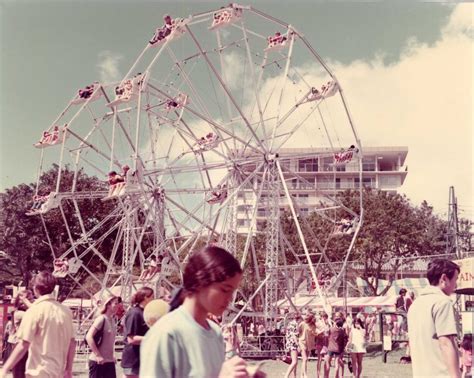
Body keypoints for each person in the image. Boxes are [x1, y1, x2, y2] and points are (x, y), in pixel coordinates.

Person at [140, 246, 251, 378]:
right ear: (201, 283)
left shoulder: (215, 332)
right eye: (225, 289)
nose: (230, 299)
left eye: (232, 291)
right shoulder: (165, 334)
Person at [0, 271, 75, 378]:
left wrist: (5, 368)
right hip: (59, 371)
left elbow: (24, 344)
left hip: (39, 371)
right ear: (53, 288)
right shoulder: (66, 312)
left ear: (35, 289)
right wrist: (68, 369)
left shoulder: (34, 310)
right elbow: (72, 342)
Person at [407, 259, 461, 378]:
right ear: (444, 279)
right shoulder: (442, 302)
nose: (456, 285)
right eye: (455, 279)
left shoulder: (415, 305)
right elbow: (446, 343)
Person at [121, 286, 154, 378]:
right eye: (152, 297)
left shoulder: (145, 313)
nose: (154, 300)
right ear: (145, 298)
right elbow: (131, 339)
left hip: (142, 359)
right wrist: (153, 338)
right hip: (133, 360)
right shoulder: (134, 313)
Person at [86, 293, 118, 378]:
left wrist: (112, 356)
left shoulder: (112, 320)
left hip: (109, 362)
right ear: (108, 305)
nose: (118, 305)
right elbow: (89, 337)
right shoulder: (101, 319)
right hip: (98, 362)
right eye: (115, 303)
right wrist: (98, 355)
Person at [298, 310, 316, 378]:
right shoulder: (302, 324)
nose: (307, 317)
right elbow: (298, 333)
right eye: (306, 315)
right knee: (305, 359)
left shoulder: (313, 325)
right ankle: (305, 375)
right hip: (302, 342)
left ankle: (301, 375)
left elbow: (314, 333)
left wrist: (314, 333)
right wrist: (298, 345)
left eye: (309, 315)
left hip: (309, 343)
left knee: (304, 360)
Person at [284, 312, 301, 378]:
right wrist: (298, 345)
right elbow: (294, 335)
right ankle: (286, 376)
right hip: (293, 344)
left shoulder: (290, 324)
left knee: (294, 362)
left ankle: (294, 376)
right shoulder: (294, 324)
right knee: (294, 362)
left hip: (290, 343)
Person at [314, 312, 330, 378]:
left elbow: (328, 333)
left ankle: (325, 376)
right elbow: (316, 333)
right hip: (319, 342)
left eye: (325, 317)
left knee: (326, 360)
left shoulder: (328, 324)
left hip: (326, 343)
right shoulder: (317, 324)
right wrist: (322, 330)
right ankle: (318, 375)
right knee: (319, 359)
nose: (325, 319)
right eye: (324, 317)